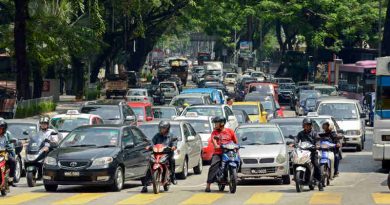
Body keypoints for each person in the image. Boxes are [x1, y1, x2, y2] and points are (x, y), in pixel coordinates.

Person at [142, 121, 177, 193]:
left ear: (167, 129)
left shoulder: (171, 136)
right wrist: (149, 146)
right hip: (156, 154)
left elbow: (174, 142)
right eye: (160, 128)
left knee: (172, 160)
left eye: (163, 128)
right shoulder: (157, 135)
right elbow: (152, 142)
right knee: (150, 165)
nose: (161, 130)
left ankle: (173, 177)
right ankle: (145, 185)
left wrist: (173, 146)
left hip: (167, 154)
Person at [205, 116, 238, 192]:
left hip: (229, 152)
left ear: (222, 123)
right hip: (218, 152)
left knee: (239, 161)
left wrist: (237, 148)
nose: (215, 125)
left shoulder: (230, 131)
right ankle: (208, 185)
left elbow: (235, 141)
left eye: (216, 123)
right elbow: (213, 140)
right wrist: (216, 145)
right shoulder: (215, 132)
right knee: (213, 166)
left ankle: (235, 176)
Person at [295, 118, 323, 191]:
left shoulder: (314, 133)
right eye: (305, 125)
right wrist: (294, 143)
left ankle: (320, 183)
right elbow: (296, 140)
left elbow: (317, 140)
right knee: (295, 161)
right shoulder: (300, 133)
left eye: (308, 125)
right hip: (303, 152)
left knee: (316, 165)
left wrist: (317, 145)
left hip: (313, 152)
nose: (307, 127)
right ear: (303, 126)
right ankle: (296, 177)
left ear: (311, 126)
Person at [0, 120, 16, 186]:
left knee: (13, 161)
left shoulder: (5, 137)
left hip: (3, 154)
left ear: (4, 129)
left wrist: (9, 148)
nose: (0, 130)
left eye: (1, 129)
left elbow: (9, 145)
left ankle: (10, 179)